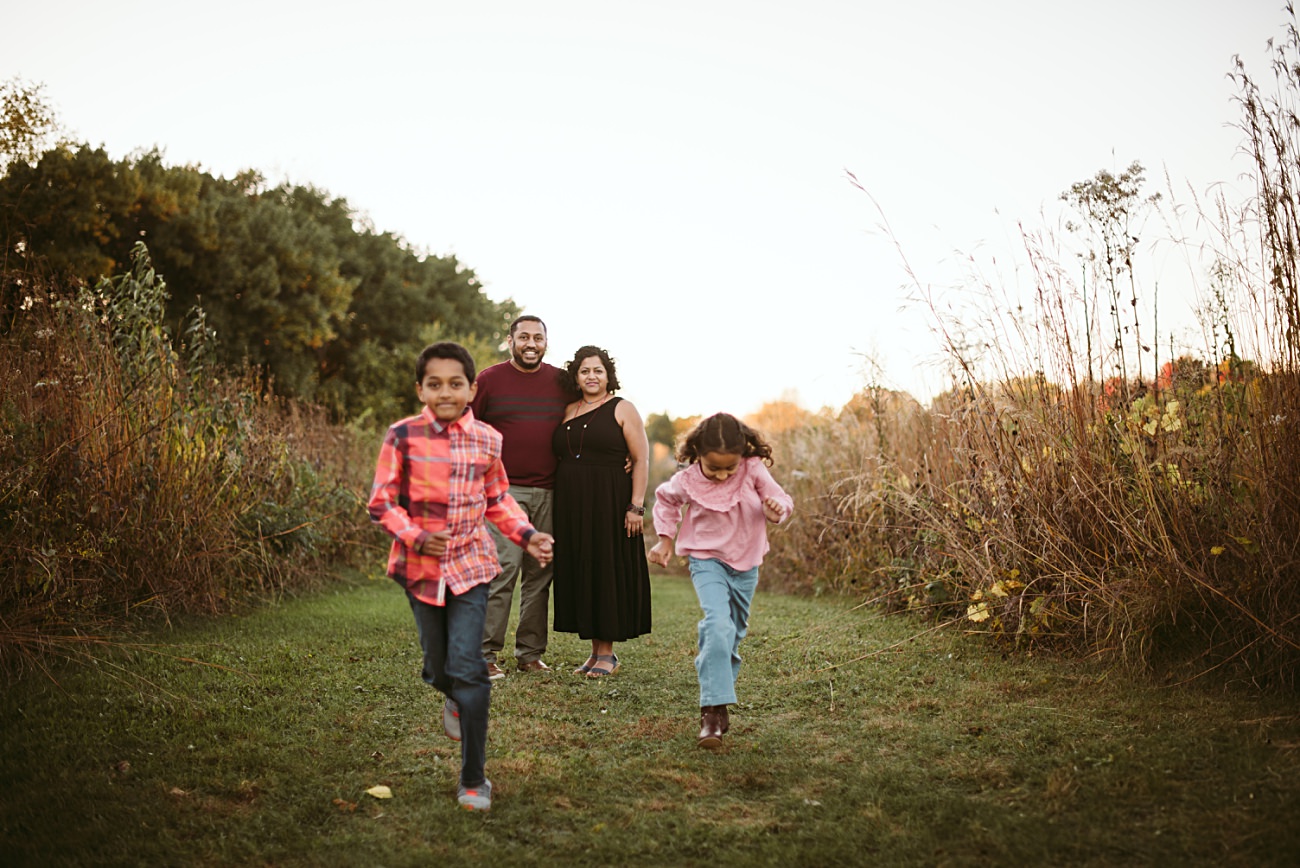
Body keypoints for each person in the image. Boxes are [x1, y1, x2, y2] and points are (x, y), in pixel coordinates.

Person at [368, 341, 554, 812]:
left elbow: (498, 499)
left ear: (472, 389)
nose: (446, 392)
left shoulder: (488, 439)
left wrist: (528, 535)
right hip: (420, 570)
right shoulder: (402, 436)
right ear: (420, 390)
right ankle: (451, 694)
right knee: (438, 667)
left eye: (456, 383)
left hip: (472, 567)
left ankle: (474, 778)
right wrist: (415, 536)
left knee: (470, 669)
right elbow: (381, 502)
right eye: (435, 384)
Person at [648, 413, 793, 749]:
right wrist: (665, 540)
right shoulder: (687, 480)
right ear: (698, 452)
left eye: (730, 468)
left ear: (742, 456)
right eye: (714, 468)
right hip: (706, 560)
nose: (723, 475)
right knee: (717, 624)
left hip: (746, 563)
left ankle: (717, 697)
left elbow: (781, 499)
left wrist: (777, 509)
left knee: (732, 634)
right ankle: (711, 712)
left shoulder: (752, 468)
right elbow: (666, 500)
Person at [470, 315, 569, 680]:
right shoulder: (489, 380)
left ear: (546, 342)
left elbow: (591, 414)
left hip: (551, 490)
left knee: (540, 573)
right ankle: (484, 655)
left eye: (538, 338)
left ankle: (530, 653)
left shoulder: (562, 382)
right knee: (503, 569)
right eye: (524, 337)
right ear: (510, 341)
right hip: (503, 493)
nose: (531, 344)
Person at [550, 345, 652, 677]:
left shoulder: (622, 408)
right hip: (572, 504)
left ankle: (607, 654)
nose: (591, 376)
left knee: (605, 568)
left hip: (609, 500)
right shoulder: (568, 410)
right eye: (585, 371)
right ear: (576, 376)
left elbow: (641, 459)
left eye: (598, 370)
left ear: (608, 376)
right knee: (584, 569)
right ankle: (594, 652)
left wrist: (636, 506)